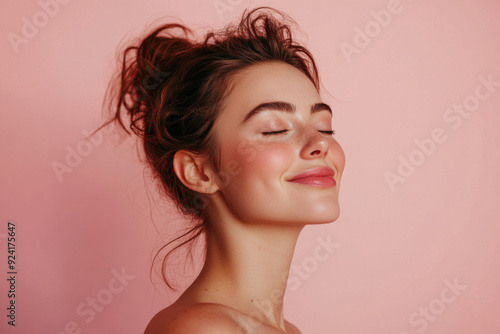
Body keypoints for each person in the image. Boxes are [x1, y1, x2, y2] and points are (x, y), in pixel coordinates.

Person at [96, 6, 345, 333]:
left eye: (324, 127)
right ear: (199, 172)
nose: (320, 143)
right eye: (273, 129)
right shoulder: (201, 328)